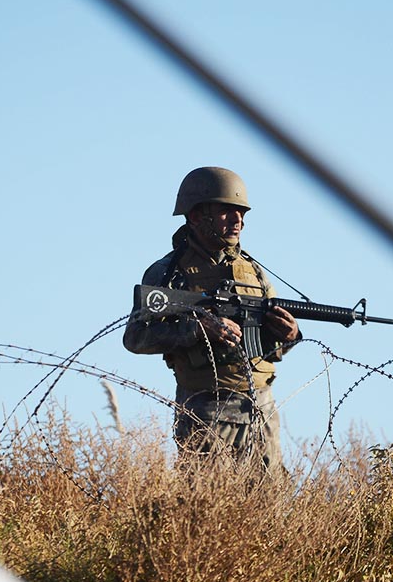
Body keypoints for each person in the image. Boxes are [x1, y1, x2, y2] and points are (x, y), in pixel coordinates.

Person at [123, 166, 300, 480]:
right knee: (208, 499)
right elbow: (136, 338)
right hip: (205, 409)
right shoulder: (168, 273)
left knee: (271, 502)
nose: (238, 221)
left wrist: (290, 335)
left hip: (260, 407)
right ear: (195, 216)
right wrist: (197, 330)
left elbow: (271, 342)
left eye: (242, 213)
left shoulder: (254, 271)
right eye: (226, 212)